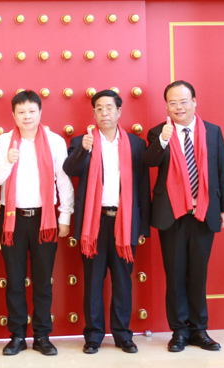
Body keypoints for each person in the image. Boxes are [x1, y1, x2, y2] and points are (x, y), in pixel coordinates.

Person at [144, 80, 224, 353]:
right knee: (175, 276)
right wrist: (163, 140)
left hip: (204, 213)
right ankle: (179, 332)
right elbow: (149, 161)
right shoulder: (158, 132)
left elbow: (223, 169)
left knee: (198, 275)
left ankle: (199, 330)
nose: (178, 107)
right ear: (166, 106)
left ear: (194, 102)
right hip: (171, 214)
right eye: (172, 103)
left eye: (183, 101)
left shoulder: (213, 132)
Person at [63, 89, 150, 354]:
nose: (104, 113)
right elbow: (70, 170)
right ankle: (93, 336)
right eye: (99, 108)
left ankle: (123, 335)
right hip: (94, 223)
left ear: (119, 111)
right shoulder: (82, 141)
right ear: (94, 113)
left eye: (109, 108)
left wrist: (141, 227)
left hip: (125, 222)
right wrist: (84, 150)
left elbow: (143, 186)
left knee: (123, 281)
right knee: (93, 281)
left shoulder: (136, 144)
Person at [0, 90, 74, 356]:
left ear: (40, 112)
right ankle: (17, 336)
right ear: (13, 115)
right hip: (12, 219)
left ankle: (42, 335)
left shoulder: (55, 141)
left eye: (32, 111)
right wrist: (8, 162)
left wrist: (65, 216)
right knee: (15, 280)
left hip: (44, 219)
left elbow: (64, 181)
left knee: (42, 281)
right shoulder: (4, 141)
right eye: (21, 112)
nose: (27, 117)